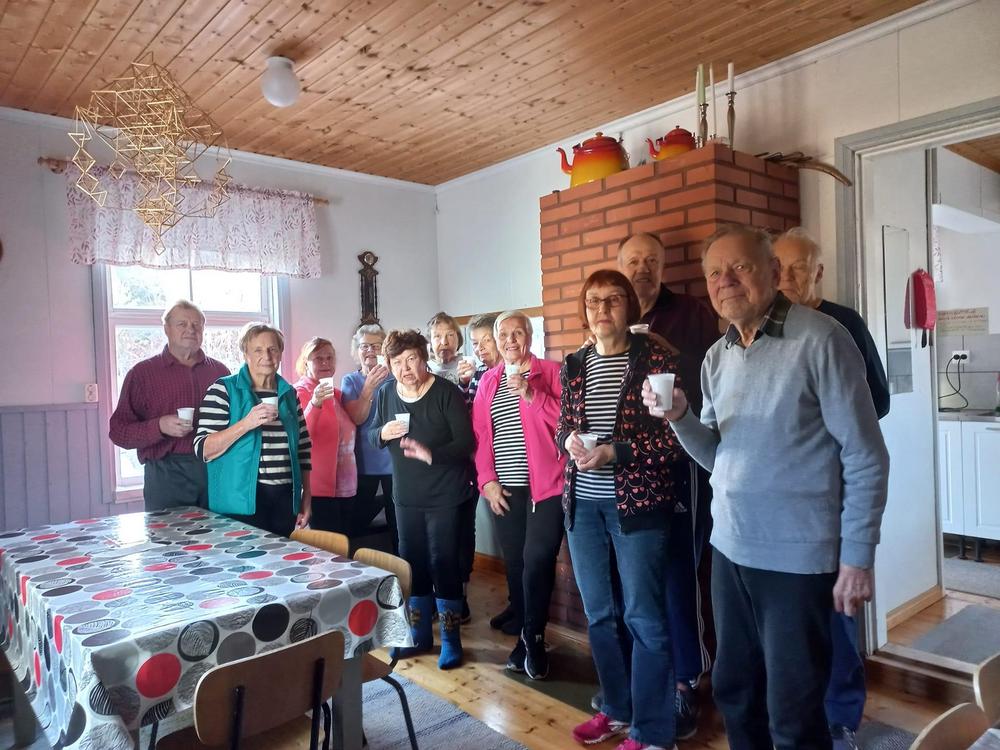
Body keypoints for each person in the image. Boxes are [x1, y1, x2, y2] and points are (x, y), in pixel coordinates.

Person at [646, 225, 889, 750]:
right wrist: (680, 416)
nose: (726, 281)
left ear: (773, 273)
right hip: (730, 549)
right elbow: (718, 457)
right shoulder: (717, 357)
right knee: (736, 693)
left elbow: (866, 455)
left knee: (795, 710)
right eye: (715, 273)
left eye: (740, 267)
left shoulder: (823, 339)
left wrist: (857, 556)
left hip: (798, 557)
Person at [558, 270, 686, 750]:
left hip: (638, 507)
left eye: (613, 300)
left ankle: (653, 732)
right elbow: (562, 425)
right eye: (593, 301)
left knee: (644, 617)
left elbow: (674, 440)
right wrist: (568, 441)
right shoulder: (575, 364)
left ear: (629, 305)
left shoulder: (656, 359)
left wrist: (616, 452)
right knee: (599, 614)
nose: (602, 309)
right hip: (583, 507)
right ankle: (616, 708)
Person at [774, 226, 891, 750]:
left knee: (840, 603)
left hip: (839, 488)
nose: (787, 277)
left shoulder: (844, 323)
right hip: (786, 497)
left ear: (818, 271)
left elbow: (879, 400)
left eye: (799, 267)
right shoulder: (768, 329)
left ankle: (841, 717)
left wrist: (831, 424)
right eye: (780, 267)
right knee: (795, 611)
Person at [618, 233, 719, 736]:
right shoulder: (612, 317)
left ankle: (685, 683)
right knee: (639, 582)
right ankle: (646, 682)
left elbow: (711, 380)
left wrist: (665, 354)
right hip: (631, 474)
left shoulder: (691, 313)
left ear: (662, 267)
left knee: (681, 572)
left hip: (682, 462)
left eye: (651, 260)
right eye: (634, 260)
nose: (643, 268)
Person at [369, 329, 475, 669]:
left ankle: (452, 640)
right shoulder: (386, 393)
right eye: (397, 362)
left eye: (411, 359)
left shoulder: (445, 392)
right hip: (406, 496)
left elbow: (466, 442)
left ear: (424, 358)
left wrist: (432, 454)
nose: (405, 369)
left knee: (444, 562)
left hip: (446, 494)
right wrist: (382, 433)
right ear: (389, 365)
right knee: (412, 562)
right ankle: (419, 635)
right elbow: (372, 435)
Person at [472, 311, 565, 679]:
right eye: (503, 334)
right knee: (516, 564)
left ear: (530, 335)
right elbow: (482, 436)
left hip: (548, 488)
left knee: (537, 559)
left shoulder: (552, 373)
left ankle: (535, 636)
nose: (510, 340)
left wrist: (531, 394)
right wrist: (487, 481)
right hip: (505, 489)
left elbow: (569, 424)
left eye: (517, 333)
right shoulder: (488, 381)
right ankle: (526, 637)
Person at [109, 299, 229, 510]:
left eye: (196, 325)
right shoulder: (142, 374)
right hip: (165, 474)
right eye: (182, 324)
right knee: (169, 533)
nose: (190, 330)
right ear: (166, 329)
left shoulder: (220, 372)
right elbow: (119, 432)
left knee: (222, 532)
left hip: (216, 470)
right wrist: (159, 426)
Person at [194, 323, 312, 536]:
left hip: (284, 500)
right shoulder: (223, 390)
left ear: (280, 353)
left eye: (272, 349)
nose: (266, 356)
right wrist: (246, 423)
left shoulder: (289, 393)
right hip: (238, 502)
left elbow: (303, 449)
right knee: (242, 557)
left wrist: (306, 496)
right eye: (258, 350)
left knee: (280, 556)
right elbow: (203, 449)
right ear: (245, 354)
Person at [426, 311, 478, 622]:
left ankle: (461, 595)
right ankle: (437, 595)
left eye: (449, 335)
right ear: (429, 341)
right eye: (437, 336)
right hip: (431, 467)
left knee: (462, 531)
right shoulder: (422, 370)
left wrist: (467, 383)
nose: (443, 341)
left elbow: (475, 415)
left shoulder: (469, 367)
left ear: (458, 339)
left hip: (462, 463)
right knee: (434, 536)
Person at [293, 337, 357, 534]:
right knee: (328, 547)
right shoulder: (298, 391)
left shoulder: (337, 394)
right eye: (318, 358)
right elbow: (301, 435)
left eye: (330, 358)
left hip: (346, 485)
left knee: (345, 543)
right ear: (306, 362)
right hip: (318, 488)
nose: (325, 363)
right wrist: (315, 403)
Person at [341, 324, 395, 549]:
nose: (370, 351)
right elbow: (357, 418)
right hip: (363, 464)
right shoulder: (350, 381)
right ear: (357, 350)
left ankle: (401, 568)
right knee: (356, 523)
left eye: (376, 345)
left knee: (398, 525)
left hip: (395, 463)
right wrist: (369, 388)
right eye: (364, 346)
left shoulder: (396, 377)